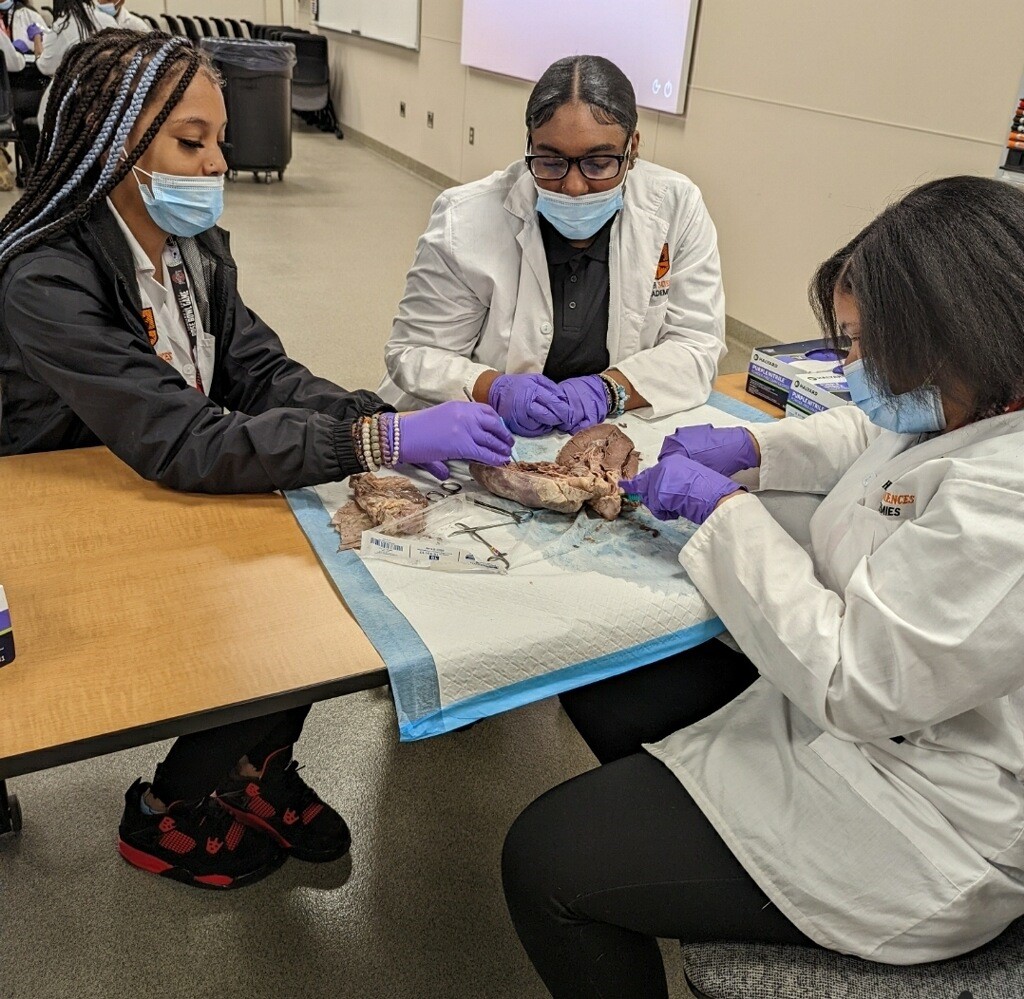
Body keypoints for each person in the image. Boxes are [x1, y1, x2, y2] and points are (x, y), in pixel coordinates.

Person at [0, 29, 513, 889]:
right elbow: (183, 438)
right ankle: (165, 815)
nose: (215, 167)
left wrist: (380, 416)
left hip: (152, 480)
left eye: (221, 142)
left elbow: (260, 372)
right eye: (190, 143)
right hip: (61, 508)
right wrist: (377, 441)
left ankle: (250, 770)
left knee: (309, 578)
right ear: (114, 145)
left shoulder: (193, 246)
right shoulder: (45, 278)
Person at [501, 175, 1024, 997]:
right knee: (608, 683)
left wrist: (726, 515)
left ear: (952, 337)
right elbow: (863, 427)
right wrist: (749, 450)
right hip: (866, 732)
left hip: (930, 820)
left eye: (858, 345)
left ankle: (645, 875)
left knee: (543, 861)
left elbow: (859, 681)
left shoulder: (1008, 495)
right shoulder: (971, 397)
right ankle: (673, 865)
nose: (848, 368)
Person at [379, 54, 725, 439]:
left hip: (606, 428)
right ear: (529, 144)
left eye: (598, 163)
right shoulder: (466, 218)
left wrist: (608, 389)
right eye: (550, 161)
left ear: (633, 150)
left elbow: (697, 346)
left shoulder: (676, 207)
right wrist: (492, 388)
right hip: (478, 428)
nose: (574, 186)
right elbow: (412, 354)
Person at [34, 0, 118, 125]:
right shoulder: (108, 20)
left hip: (73, 99)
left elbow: (45, 67)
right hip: (108, 95)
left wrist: (37, 41)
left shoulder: (63, 25)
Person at [0, 0, 47, 185]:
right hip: (9, 88)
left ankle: (31, 168)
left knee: (26, 111)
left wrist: (36, 42)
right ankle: (32, 169)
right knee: (24, 108)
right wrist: (21, 52)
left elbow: (46, 51)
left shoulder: (30, 16)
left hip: (23, 81)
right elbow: (15, 63)